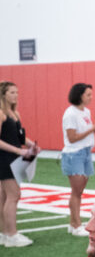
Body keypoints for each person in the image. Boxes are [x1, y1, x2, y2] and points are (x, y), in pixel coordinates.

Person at [61, 82, 95, 236]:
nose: (91, 97)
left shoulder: (86, 111)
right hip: (74, 153)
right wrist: (92, 129)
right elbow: (72, 138)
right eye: (88, 94)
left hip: (86, 152)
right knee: (76, 192)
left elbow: (84, 133)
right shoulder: (70, 114)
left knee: (79, 191)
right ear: (79, 95)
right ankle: (76, 225)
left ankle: (73, 223)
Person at [0, 80, 39, 248]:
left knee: (4, 196)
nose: (15, 95)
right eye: (11, 92)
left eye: (16, 92)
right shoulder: (1, 113)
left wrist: (31, 145)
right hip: (5, 159)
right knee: (14, 195)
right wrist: (18, 151)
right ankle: (12, 235)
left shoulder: (15, 113)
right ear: (3, 95)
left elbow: (19, 137)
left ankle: (5, 233)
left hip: (15, 158)